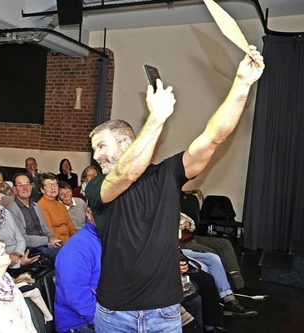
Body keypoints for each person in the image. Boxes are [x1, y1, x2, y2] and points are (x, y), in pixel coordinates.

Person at [85, 47, 264, 332]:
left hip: (164, 313)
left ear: (126, 142)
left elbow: (214, 137)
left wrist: (242, 84)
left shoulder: (166, 174)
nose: (96, 156)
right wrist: (156, 117)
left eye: (102, 146)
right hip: (114, 314)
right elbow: (126, 173)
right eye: (94, 149)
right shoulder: (96, 186)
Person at [55, 209, 101, 333]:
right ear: (89, 214)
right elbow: (77, 297)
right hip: (80, 323)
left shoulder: (108, 237)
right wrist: (111, 319)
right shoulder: (76, 249)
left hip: (104, 311)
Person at [179, 212, 246, 290]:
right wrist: (184, 223)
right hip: (181, 244)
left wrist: (185, 223)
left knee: (224, 244)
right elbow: (178, 225)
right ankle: (229, 283)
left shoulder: (176, 211)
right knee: (212, 253)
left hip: (191, 238)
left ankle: (238, 281)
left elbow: (191, 225)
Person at [3, 173, 61, 257]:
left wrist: (53, 239)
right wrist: (47, 240)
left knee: (68, 250)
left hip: (45, 244)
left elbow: (45, 228)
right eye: (20, 185)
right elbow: (23, 239)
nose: (25, 188)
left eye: (27, 184)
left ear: (31, 187)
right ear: (14, 189)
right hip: (30, 249)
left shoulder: (35, 206)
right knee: (64, 255)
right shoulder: (12, 210)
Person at [37, 173, 77, 243]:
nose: (53, 188)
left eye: (55, 185)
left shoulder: (60, 205)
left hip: (70, 241)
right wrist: (70, 242)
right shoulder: (40, 206)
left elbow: (71, 228)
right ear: (42, 190)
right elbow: (50, 233)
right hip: (57, 243)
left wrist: (78, 239)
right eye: (49, 185)